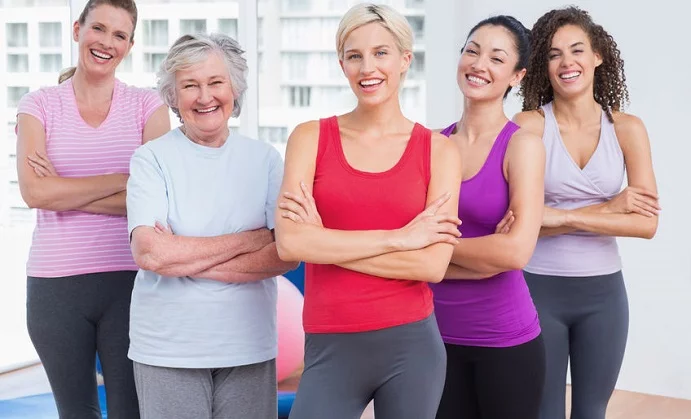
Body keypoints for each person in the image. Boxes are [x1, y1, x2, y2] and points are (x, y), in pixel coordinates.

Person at [274, 3, 463, 419]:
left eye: (381, 53)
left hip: (411, 346)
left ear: (404, 60)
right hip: (330, 344)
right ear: (342, 64)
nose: (367, 67)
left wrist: (326, 243)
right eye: (354, 55)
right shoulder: (309, 139)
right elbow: (290, 243)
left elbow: (432, 264)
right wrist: (400, 238)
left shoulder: (440, 152)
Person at [126, 33, 297, 419]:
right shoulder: (151, 159)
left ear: (234, 89)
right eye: (190, 85)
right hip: (168, 348)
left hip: (248, 344)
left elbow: (285, 254)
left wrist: (182, 257)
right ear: (173, 95)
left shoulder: (265, 160)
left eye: (215, 82)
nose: (205, 97)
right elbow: (151, 252)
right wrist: (252, 238)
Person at [15, 0, 170, 417]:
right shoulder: (39, 105)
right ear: (77, 29)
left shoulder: (148, 106)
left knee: (130, 412)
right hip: (55, 287)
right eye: (98, 28)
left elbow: (157, 200)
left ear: (130, 45)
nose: (106, 42)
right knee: (76, 412)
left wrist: (63, 189)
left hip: (132, 282)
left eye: (120, 35)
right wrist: (125, 180)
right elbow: (35, 193)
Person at [514, 6, 660, 419]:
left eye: (577, 50)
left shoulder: (627, 129)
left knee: (592, 411)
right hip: (537, 289)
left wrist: (561, 216)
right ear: (543, 65)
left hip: (604, 296)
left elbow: (646, 223)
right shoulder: (528, 127)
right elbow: (516, 222)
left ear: (597, 55)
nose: (567, 63)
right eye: (554, 54)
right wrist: (611, 208)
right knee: (542, 411)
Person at [429, 16, 546, 419]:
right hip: (431, 337)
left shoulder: (523, 146)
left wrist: (435, 248)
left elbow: (514, 253)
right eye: (472, 51)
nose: (479, 64)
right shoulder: (430, 144)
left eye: (497, 58)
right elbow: (405, 245)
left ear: (517, 76)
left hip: (505, 340)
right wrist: (481, 260)